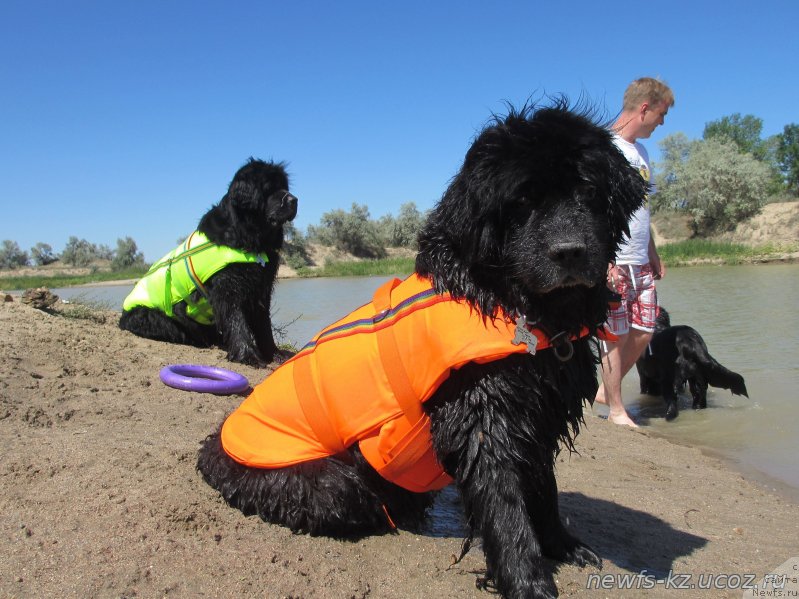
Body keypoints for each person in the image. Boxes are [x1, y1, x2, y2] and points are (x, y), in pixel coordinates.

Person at [595, 77, 674, 427]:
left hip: (640, 259)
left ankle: (604, 391)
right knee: (616, 334)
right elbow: (593, 209)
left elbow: (641, 208)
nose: (662, 122)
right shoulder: (603, 149)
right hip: (615, 260)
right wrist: (604, 259)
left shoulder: (640, 153)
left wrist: (652, 249)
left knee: (644, 329)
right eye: (661, 114)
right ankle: (616, 409)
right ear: (644, 108)